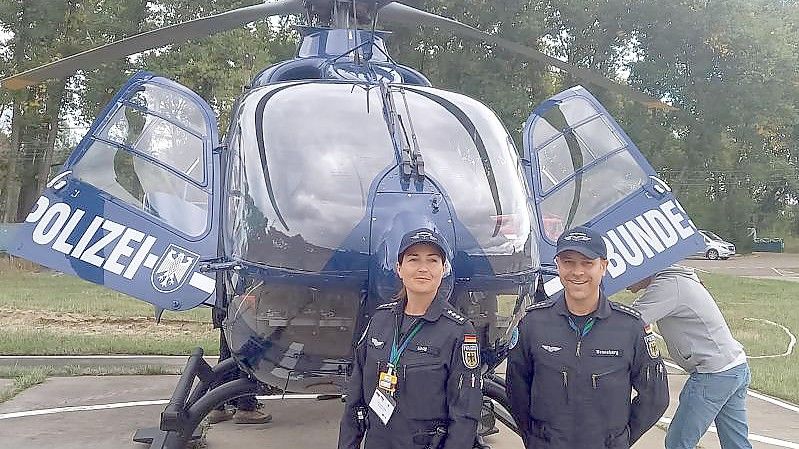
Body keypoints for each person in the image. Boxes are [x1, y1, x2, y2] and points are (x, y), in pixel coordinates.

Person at [506, 225, 669, 449]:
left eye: (587, 263)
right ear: (557, 266)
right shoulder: (533, 324)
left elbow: (655, 397)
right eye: (568, 262)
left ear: (603, 267)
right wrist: (535, 439)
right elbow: (516, 390)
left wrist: (620, 440)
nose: (577, 272)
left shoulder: (630, 328)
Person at [338, 228, 482, 449]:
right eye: (413, 259)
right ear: (399, 268)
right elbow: (354, 399)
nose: (423, 268)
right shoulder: (379, 321)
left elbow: (464, 415)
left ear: (443, 269)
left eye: (432, 260)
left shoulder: (459, 331)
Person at [628, 265, 753, 449]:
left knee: (678, 443)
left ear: (644, 267)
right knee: (736, 444)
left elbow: (629, 322)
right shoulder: (677, 280)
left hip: (713, 374)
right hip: (735, 367)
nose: (622, 281)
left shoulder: (669, 286)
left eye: (625, 273)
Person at [207, 302, 273, 425]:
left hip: (225, 309)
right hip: (245, 310)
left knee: (226, 358)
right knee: (250, 356)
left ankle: (217, 407)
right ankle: (245, 407)